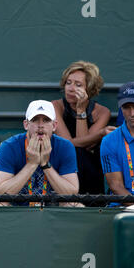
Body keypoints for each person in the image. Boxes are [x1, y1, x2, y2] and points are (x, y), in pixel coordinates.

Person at [0, 100, 79, 206]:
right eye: (35, 120)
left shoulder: (65, 146)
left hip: (53, 210)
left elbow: (72, 193)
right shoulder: (9, 146)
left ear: (54, 125)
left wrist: (45, 164)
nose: (40, 125)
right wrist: (31, 164)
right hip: (17, 209)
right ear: (26, 124)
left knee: (74, 205)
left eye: (46, 120)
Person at [52, 61, 116, 194]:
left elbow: (83, 148)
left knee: (84, 156)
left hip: (89, 169)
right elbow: (68, 145)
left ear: (89, 88)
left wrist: (81, 109)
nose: (70, 88)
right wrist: (100, 134)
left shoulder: (102, 112)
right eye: (68, 82)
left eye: (78, 85)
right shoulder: (55, 106)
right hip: (60, 162)